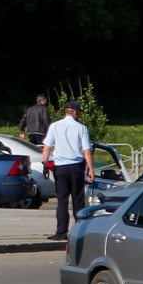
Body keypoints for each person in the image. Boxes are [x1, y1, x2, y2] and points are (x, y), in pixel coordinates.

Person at [42, 100, 94, 241]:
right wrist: (91, 169)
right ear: (75, 112)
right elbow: (87, 151)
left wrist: (45, 165)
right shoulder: (81, 128)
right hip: (76, 167)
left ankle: (61, 232)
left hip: (60, 168)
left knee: (62, 200)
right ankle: (79, 232)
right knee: (78, 200)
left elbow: (46, 147)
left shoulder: (54, 126)